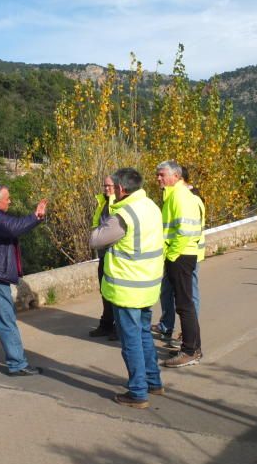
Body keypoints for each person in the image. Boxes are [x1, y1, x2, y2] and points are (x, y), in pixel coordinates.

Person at [89, 168, 165, 408]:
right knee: (143, 335)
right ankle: (153, 382)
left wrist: (108, 208)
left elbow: (95, 239)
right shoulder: (151, 206)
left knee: (131, 341)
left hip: (127, 288)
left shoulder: (123, 214)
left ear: (121, 189)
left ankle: (138, 392)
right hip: (148, 284)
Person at [0, 183, 47, 376]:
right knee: (6, 319)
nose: (10, 201)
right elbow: (13, 228)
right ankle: (17, 363)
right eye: (7, 199)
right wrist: (35, 216)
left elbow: (11, 226)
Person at [154, 161, 205, 368]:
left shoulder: (180, 196)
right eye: (157, 174)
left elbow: (186, 230)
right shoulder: (175, 195)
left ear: (175, 176)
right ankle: (193, 347)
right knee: (185, 304)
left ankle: (189, 351)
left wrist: (172, 256)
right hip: (181, 255)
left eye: (162, 174)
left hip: (181, 256)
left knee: (184, 305)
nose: (158, 178)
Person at [88, 176, 117, 339]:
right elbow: (97, 224)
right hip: (103, 254)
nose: (106, 188)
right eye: (104, 185)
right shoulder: (102, 202)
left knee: (114, 292)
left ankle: (117, 327)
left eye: (110, 186)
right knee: (105, 291)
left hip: (114, 254)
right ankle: (106, 324)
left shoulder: (117, 203)